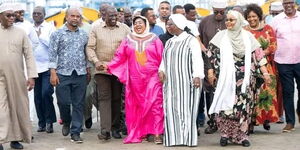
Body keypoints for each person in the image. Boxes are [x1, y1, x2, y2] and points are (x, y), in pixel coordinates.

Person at [207, 10, 271, 147]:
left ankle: (241, 136)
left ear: (239, 21)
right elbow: (210, 56)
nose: (228, 22)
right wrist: (211, 72)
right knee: (226, 106)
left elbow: (259, 57)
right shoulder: (220, 36)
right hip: (225, 78)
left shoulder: (248, 37)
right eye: (227, 20)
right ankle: (225, 134)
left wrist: (265, 74)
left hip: (245, 79)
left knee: (243, 107)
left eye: (232, 20)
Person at [100, 15, 164, 144]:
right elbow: (119, 56)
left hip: (153, 77)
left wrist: (162, 71)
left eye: (141, 23)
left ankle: (157, 133)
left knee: (155, 104)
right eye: (135, 23)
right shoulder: (128, 39)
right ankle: (142, 132)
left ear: (146, 25)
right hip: (135, 80)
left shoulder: (155, 39)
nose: (138, 25)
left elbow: (162, 57)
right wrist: (109, 65)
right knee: (138, 106)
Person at [159, 14, 204, 147]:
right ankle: (173, 138)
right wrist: (161, 70)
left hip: (187, 82)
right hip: (171, 82)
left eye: (171, 24)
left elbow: (197, 59)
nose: (168, 27)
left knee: (187, 109)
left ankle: (187, 139)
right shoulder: (170, 42)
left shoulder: (191, 40)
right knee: (172, 109)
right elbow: (164, 59)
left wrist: (197, 75)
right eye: (167, 24)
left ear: (178, 25)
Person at [86, 6, 131, 140]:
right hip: (102, 69)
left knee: (117, 98)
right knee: (104, 97)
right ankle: (105, 130)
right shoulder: (96, 29)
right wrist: (96, 61)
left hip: (119, 70)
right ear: (103, 16)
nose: (113, 18)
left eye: (115, 15)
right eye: (110, 16)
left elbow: (131, 46)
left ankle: (115, 128)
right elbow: (90, 48)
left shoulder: (124, 29)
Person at [0, 3, 38, 149]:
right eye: (8, 15)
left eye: (13, 15)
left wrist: (32, 76)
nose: (12, 18)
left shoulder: (20, 32)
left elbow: (29, 55)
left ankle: (16, 138)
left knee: (18, 107)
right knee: (1, 109)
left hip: (17, 75)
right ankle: (1, 139)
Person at [49, 7, 89, 143]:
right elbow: (52, 54)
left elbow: (86, 53)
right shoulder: (57, 34)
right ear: (66, 17)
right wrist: (53, 72)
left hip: (80, 73)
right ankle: (66, 121)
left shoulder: (84, 34)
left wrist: (88, 69)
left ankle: (75, 131)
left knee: (79, 104)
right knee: (63, 102)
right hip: (62, 73)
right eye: (72, 16)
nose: (75, 19)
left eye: (78, 16)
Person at [244, 3, 280, 132]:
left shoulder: (268, 28)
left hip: (267, 66)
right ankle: (251, 122)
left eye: (254, 16)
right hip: (250, 67)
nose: (252, 19)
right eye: (249, 17)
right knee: (252, 94)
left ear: (259, 16)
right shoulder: (244, 30)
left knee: (267, 93)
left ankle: (265, 119)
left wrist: (262, 53)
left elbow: (274, 45)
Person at [198, 0, 227, 134]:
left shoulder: (230, 20)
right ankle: (213, 122)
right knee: (210, 93)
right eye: (216, 12)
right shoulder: (205, 21)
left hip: (227, 62)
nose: (219, 15)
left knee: (226, 92)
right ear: (213, 10)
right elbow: (199, 40)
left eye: (222, 12)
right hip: (208, 61)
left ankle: (226, 122)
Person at [271, 0, 300, 132]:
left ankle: (299, 111)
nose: (288, 5)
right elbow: (271, 39)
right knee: (288, 92)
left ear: (295, 3)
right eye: (285, 3)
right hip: (283, 61)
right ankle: (290, 122)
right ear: (283, 5)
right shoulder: (276, 20)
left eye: (290, 2)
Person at [32, 6, 57, 133]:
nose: (36, 15)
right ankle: (41, 122)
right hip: (33, 67)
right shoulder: (29, 27)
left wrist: (40, 37)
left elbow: (53, 46)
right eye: (34, 13)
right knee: (37, 97)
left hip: (47, 67)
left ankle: (49, 121)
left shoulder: (50, 27)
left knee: (46, 93)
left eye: (39, 13)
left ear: (44, 14)